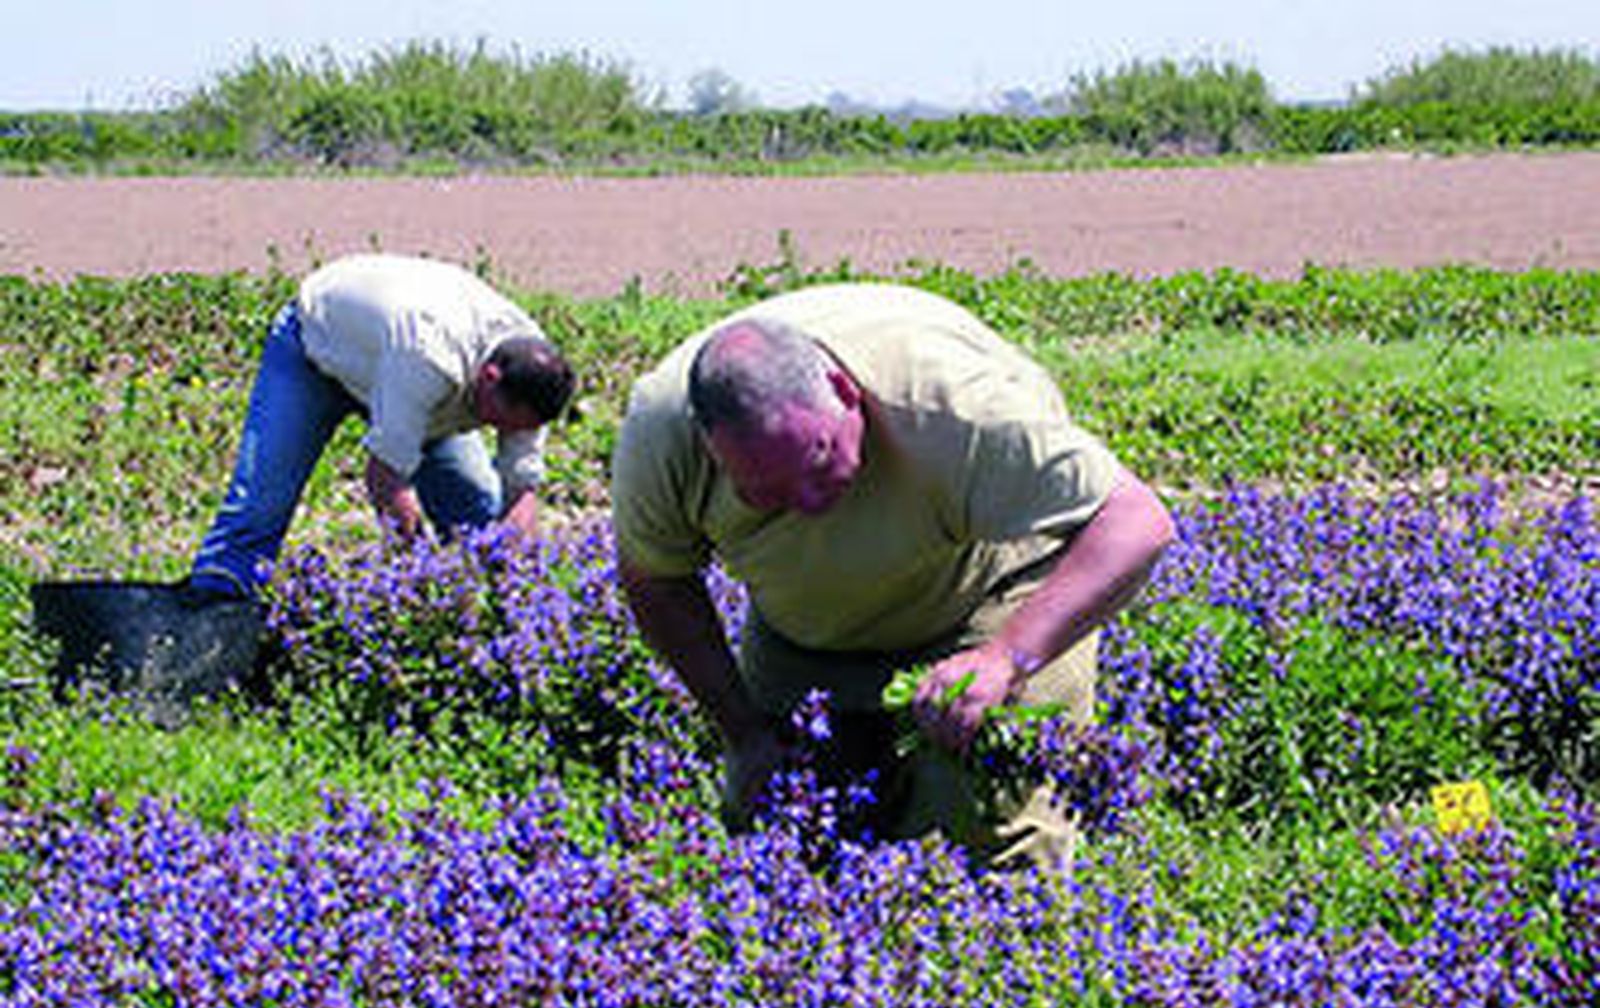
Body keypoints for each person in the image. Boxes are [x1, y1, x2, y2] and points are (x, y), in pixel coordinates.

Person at [611, 282, 1174, 873]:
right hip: (806, 634)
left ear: (844, 392)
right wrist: (742, 730)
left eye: (820, 459)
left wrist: (1005, 658)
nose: (806, 503)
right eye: (766, 493)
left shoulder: (951, 405)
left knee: (992, 844)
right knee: (779, 837)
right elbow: (657, 581)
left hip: (987, 598)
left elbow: (1137, 522)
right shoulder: (662, 434)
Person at [186, 253, 575, 600]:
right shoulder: (429, 358)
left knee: (478, 511)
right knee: (258, 512)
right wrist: (415, 584)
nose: (501, 432)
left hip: (411, 376)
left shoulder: (532, 374)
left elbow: (520, 489)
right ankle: (208, 621)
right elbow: (386, 477)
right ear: (489, 377)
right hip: (317, 351)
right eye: (501, 422)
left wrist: (520, 585)